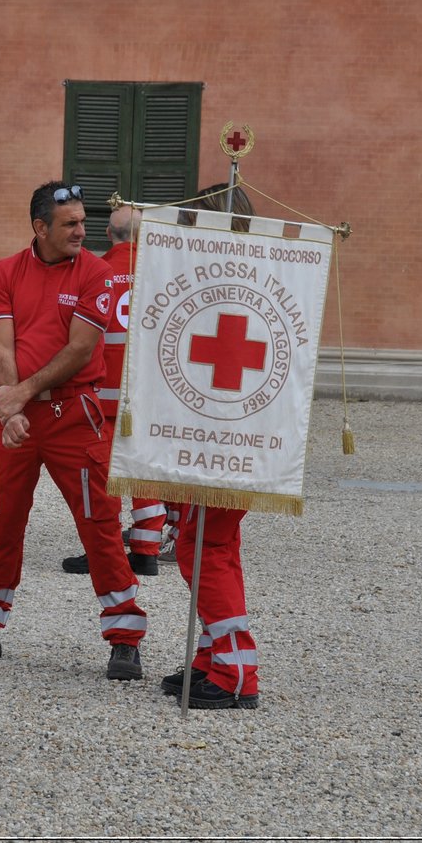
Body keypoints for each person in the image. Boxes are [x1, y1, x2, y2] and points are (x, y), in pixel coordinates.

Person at [0, 182, 147, 681]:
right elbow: (1, 348)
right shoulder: (7, 271)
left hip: (75, 414)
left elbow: (79, 349)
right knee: (2, 522)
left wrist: (18, 396)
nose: (81, 230)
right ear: (40, 228)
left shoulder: (95, 272)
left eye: (82, 221)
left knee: (99, 525)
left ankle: (125, 637)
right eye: (70, 223)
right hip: (17, 414)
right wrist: (11, 410)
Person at [160, 182, 260, 709]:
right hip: (224, 437)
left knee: (203, 550)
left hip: (225, 436)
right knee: (211, 545)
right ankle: (213, 659)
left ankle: (237, 671)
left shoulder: (223, 289)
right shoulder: (244, 284)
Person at [60, 205, 164, 576]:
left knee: (101, 471)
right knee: (143, 467)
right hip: (150, 392)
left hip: (103, 389)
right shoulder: (163, 274)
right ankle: (147, 549)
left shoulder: (95, 272)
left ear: (108, 233)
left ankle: (102, 549)